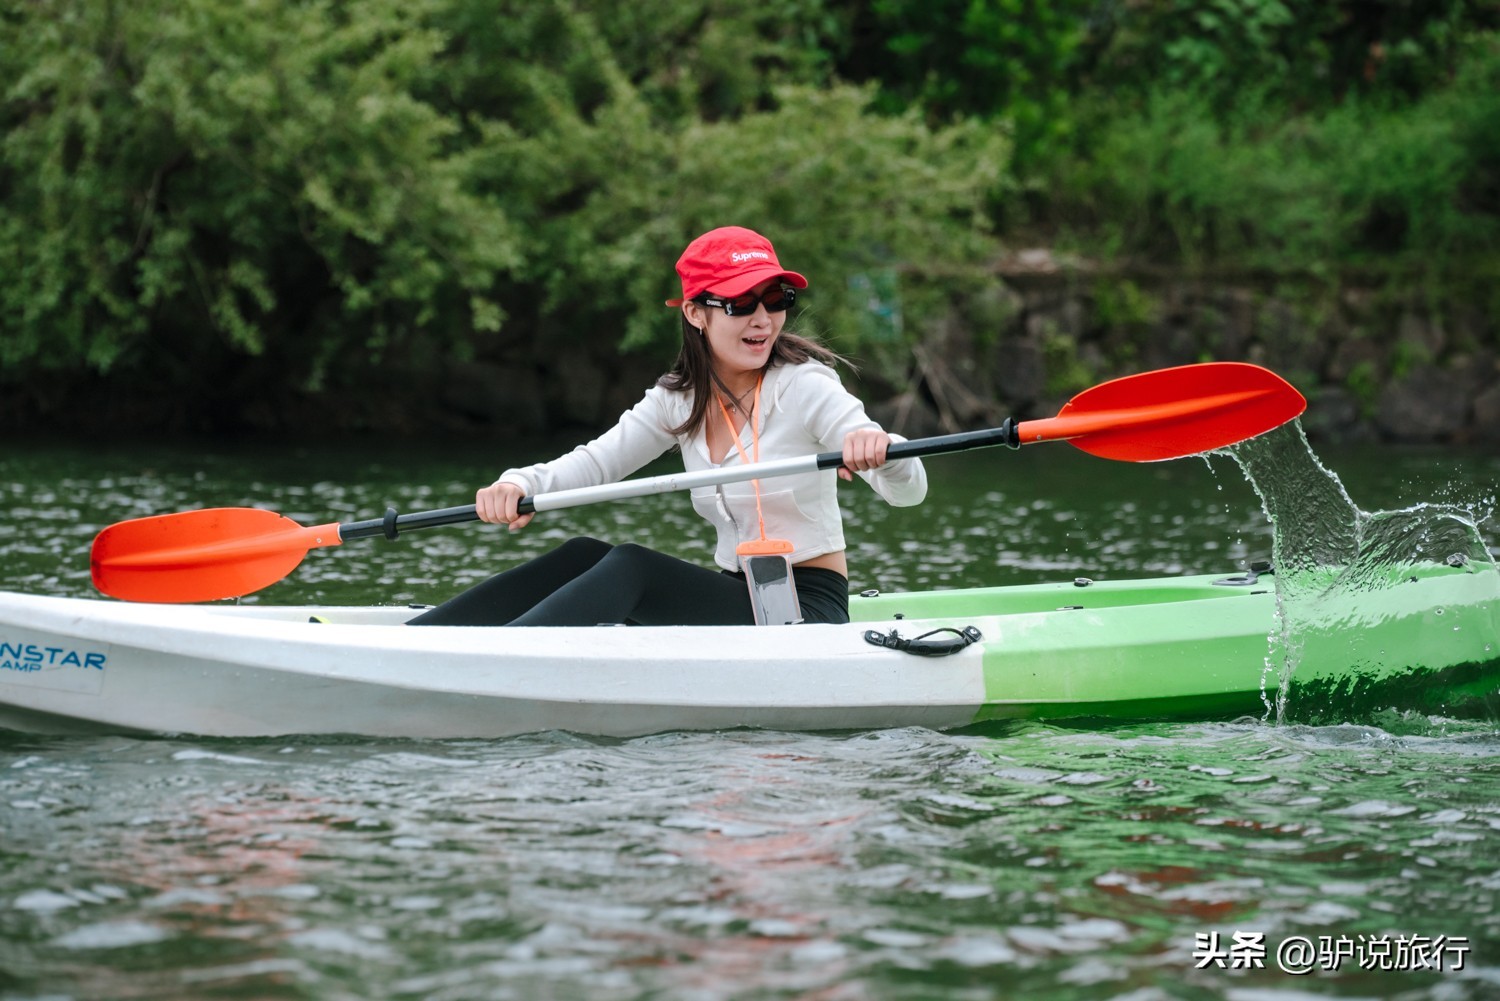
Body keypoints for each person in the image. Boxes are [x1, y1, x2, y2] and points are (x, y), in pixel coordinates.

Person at [409, 226, 927, 627]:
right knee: (585, 553)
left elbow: (909, 493)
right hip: (741, 595)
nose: (763, 319)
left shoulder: (805, 385)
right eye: (742, 304)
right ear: (697, 314)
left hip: (807, 609)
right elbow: (597, 462)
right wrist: (520, 483)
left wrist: (884, 450)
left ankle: (497, 661)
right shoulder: (677, 400)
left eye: (776, 301)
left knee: (632, 566)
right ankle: (421, 640)